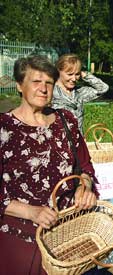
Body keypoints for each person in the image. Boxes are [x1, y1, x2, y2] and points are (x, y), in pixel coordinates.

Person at [0, 55, 98, 274]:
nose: (43, 88)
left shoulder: (66, 121)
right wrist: (31, 212)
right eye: (36, 82)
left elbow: (84, 166)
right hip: (21, 240)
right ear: (19, 85)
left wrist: (86, 187)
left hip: (67, 235)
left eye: (49, 83)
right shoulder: (4, 128)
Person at [51, 53, 109, 133]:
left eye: (77, 74)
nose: (74, 79)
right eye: (70, 74)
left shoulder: (80, 92)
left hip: (78, 141)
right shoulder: (49, 92)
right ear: (58, 72)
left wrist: (85, 76)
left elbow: (103, 88)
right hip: (58, 142)